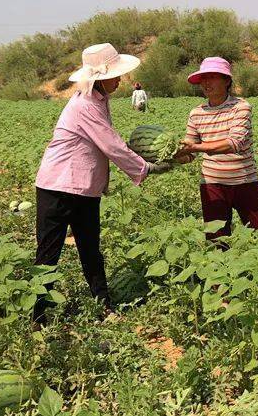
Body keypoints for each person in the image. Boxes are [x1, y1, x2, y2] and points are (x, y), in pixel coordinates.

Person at [33, 43, 172, 324]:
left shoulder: (99, 99)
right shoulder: (84, 104)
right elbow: (113, 146)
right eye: (116, 75)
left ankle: (103, 305)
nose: (120, 80)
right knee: (48, 254)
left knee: (91, 249)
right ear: (99, 76)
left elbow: (106, 144)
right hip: (58, 186)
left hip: (84, 188)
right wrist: (149, 168)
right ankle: (38, 317)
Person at [177, 57, 258, 241]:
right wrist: (177, 155)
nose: (206, 82)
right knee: (216, 240)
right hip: (212, 184)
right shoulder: (196, 113)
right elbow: (190, 153)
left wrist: (195, 147)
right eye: (203, 78)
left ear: (227, 80)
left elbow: (233, 143)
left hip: (245, 181)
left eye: (212, 77)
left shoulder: (241, 107)